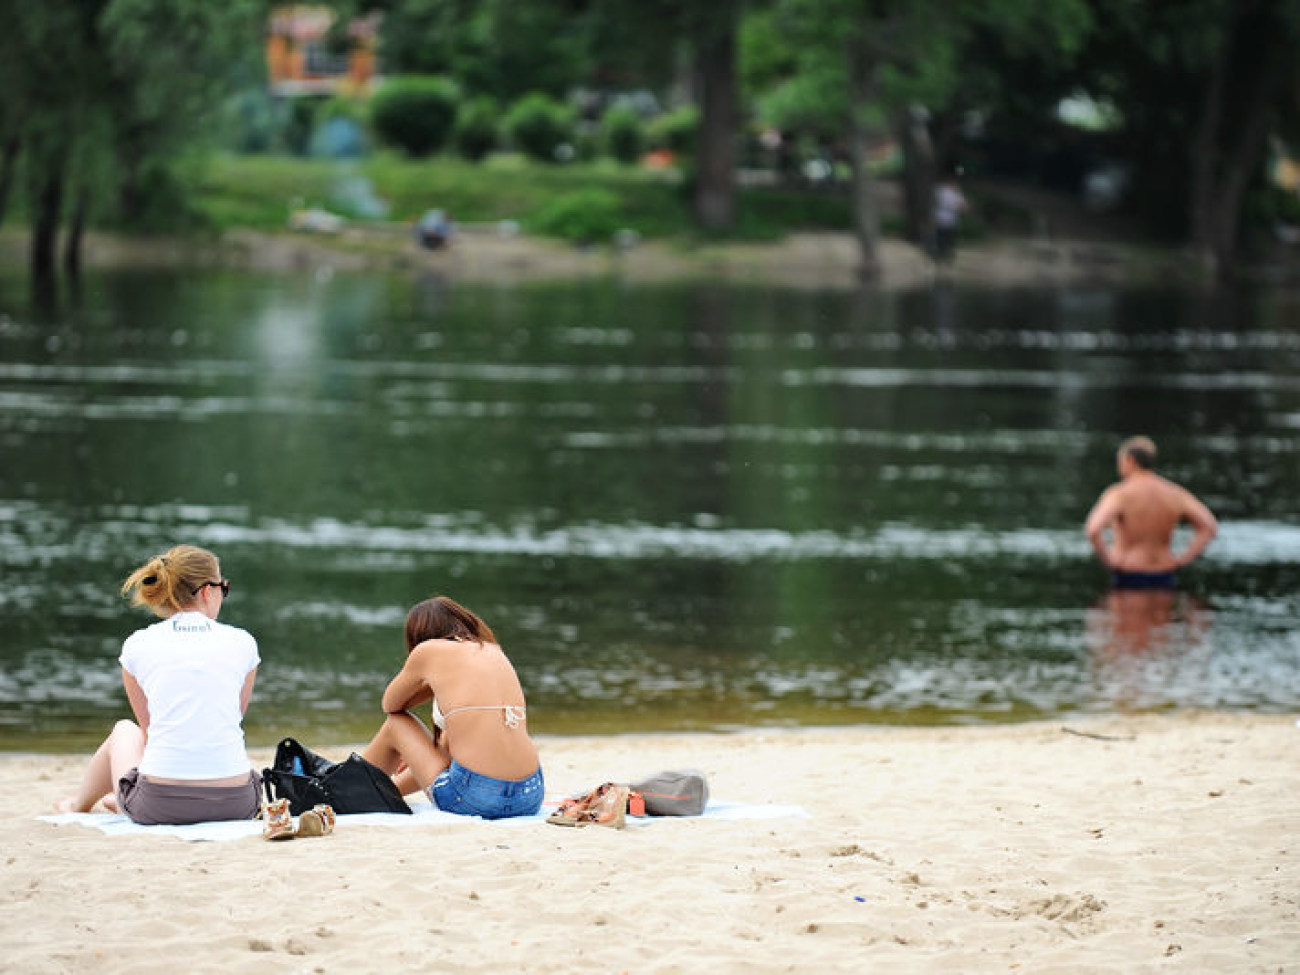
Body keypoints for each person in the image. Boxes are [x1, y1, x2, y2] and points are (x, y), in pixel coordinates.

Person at [54, 545, 261, 825]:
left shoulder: (137, 645)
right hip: (239, 802)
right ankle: (121, 799)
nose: (223, 595)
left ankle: (79, 804)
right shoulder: (243, 642)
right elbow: (232, 718)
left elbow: (150, 733)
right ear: (206, 591)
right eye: (224, 587)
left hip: (159, 805)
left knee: (125, 731)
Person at [360, 595, 543, 820]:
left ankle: (355, 789)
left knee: (396, 724)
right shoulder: (493, 650)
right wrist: (413, 759)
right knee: (448, 746)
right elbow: (446, 757)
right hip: (530, 796)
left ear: (419, 635)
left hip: (476, 799)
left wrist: (429, 682)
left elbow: (390, 703)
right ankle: (378, 791)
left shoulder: (428, 650)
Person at [1084, 436, 1218, 589]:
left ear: (1130, 460)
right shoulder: (1175, 493)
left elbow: (1093, 529)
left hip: (1128, 572)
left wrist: (1109, 561)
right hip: (1164, 573)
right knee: (1161, 613)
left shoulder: (1120, 494)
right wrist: (1182, 560)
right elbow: (1209, 527)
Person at [931, 170, 969, 265]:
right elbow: (950, 205)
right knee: (941, 237)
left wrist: (963, 206)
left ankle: (948, 256)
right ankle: (939, 256)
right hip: (942, 219)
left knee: (951, 238)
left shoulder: (956, 192)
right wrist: (960, 206)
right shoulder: (941, 191)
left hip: (952, 220)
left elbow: (964, 204)